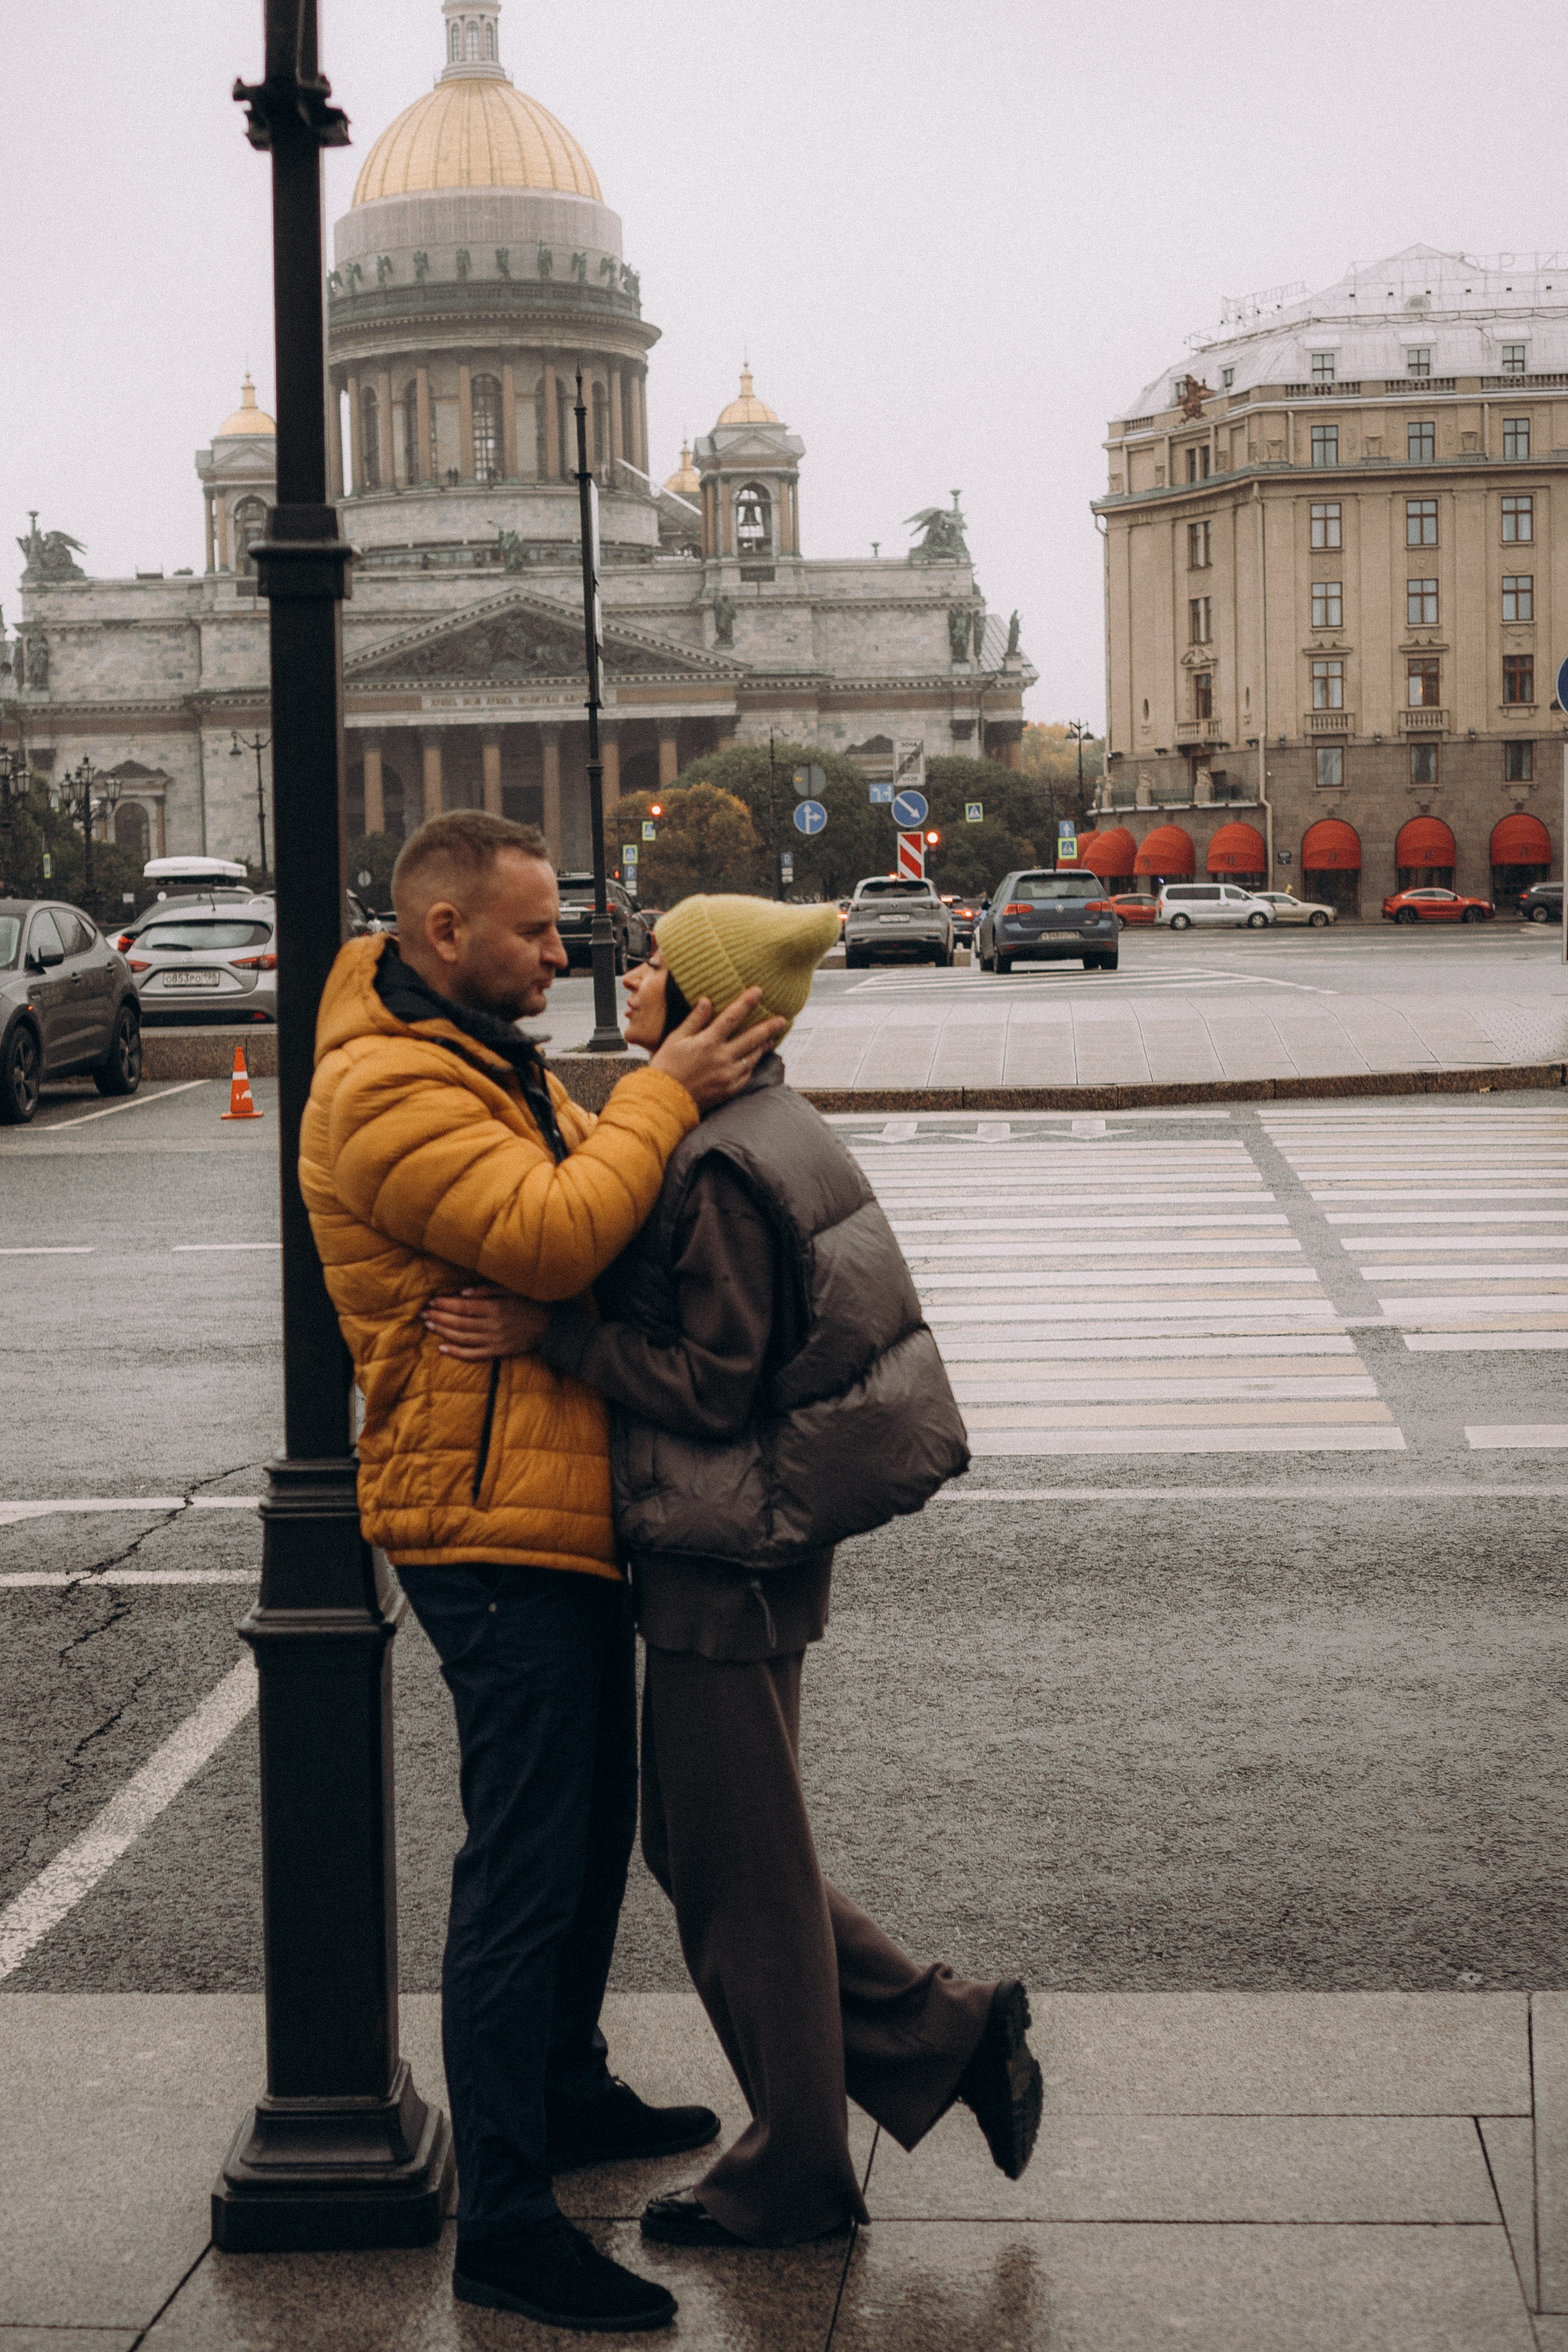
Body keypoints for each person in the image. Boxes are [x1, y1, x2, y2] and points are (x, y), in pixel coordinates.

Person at [424, 894, 1043, 2252]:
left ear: (712, 1006)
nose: (627, 973)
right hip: (759, 1541)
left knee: (732, 1875)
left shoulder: (714, 1164)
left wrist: (549, 1336)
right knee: (724, 1850)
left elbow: (710, 1386)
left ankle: (794, 2175)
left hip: (723, 1540)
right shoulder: (767, 1123)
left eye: (654, 963)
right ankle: (942, 2033)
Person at [300, 815, 785, 2334]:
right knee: (519, 1873)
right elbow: (558, 1232)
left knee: (576, 1843)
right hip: (484, 1517)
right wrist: (655, 1091)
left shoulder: (471, 1059)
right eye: (530, 933)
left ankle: (563, 2094)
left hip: (548, 1497)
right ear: (443, 933)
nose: (560, 952)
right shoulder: (384, 1083)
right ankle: (507, 2222)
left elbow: (580, 1221)